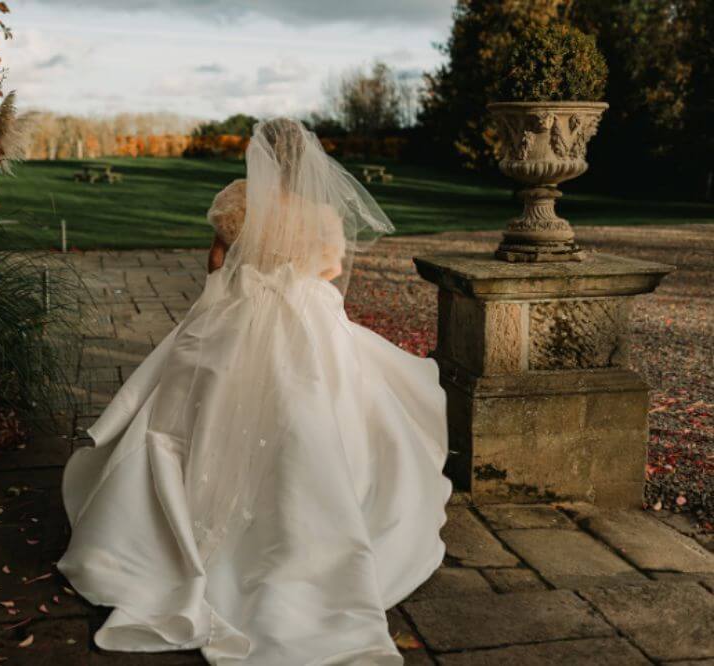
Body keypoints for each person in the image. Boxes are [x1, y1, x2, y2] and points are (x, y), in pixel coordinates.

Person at [58, 118, 452, 665]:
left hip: (240, 316)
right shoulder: (323, 215)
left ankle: (174, 544)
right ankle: (314, 542)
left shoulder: (238, 203)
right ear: (307, 161)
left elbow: (217, 265)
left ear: (259, 157)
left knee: (193, 408)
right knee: (324, 409)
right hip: (307, 321)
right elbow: (332, 269)